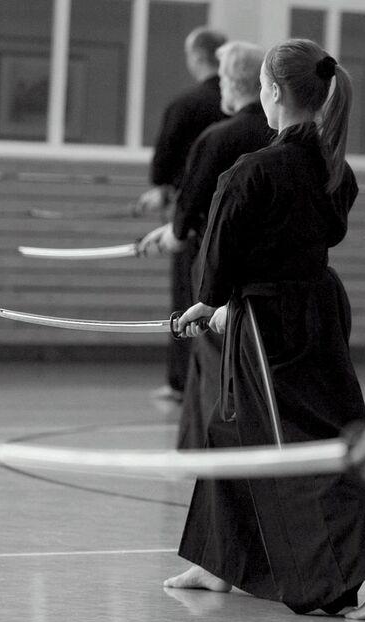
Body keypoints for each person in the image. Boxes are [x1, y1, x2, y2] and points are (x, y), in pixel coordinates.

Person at [168, 38, 365, 619]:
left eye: (261, 90)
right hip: (312, 310)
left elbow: (221, 255)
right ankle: (217, 560)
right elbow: (296, 244)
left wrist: (208, 302)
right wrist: (226, 301)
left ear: (274, 91)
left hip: (272, 327)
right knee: (232, 429)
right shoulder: (334, 169)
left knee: (314, 445)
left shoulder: (252, 172)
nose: (260, 99)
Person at [138, 41, 274, 449]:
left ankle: (212, 446)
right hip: (269, 270)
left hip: (217, 262)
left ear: (231, 82)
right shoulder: (283, 139)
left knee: (212, 356)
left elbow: (193, 202)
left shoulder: (219, 138)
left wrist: (175, 232)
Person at [133, 27, 228, 404]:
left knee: (190, 295)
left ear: (196, 57)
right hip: (234, 218)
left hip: (193, 220)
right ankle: (219, 380)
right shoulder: (251, 110)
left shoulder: (186, 105)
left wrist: (164, 189)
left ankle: (181, 382)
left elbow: (167, 165)